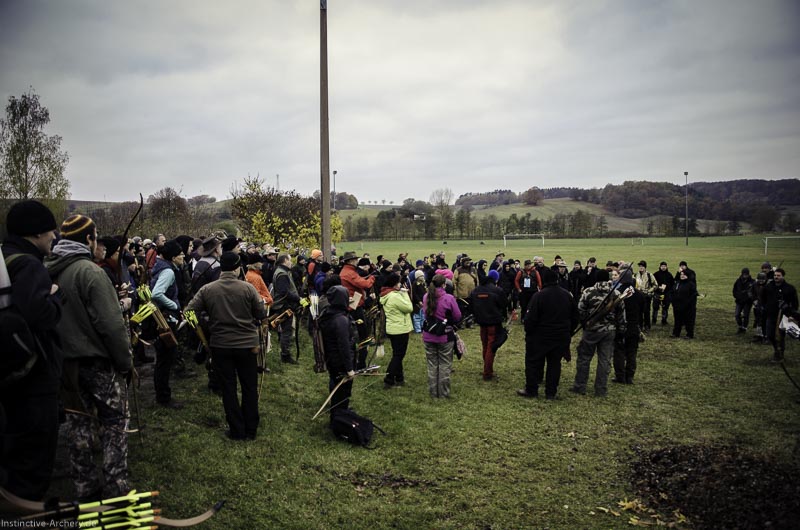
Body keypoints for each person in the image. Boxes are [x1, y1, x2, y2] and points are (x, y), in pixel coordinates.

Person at [45, 214, 131, 501]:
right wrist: (125, 362)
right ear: (88, 239)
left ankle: (85, 487)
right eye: (96, 238)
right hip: (95, 363)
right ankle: (116, 485)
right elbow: (111, 325)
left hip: (64, 364)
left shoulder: (47, 270)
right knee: (114, 421)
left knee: (77, 422)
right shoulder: (90, 272)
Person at [0, 200, 63, 501]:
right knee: (33, 462)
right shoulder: (29, 264)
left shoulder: (4, 259)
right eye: (51, 230)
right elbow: (42, 315)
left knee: (12, 453)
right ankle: (24, 515)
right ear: (36, 232)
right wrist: (55, 296)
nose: (54, 236)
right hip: (33, 378)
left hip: (8, 372)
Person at [186, 252, 266, 440]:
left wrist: (206, 325)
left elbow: (189, 311)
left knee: (228, 389)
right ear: (238, 268)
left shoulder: (208, 289)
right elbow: (261, 313)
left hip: (220, 345)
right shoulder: (248, 289)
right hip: (246, 345)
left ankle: (237, 430)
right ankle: (251, 429)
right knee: (249, 387)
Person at [518, 268, 577, 400]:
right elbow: (575, 318)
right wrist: (569, 332)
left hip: (540, 337)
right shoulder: (567, 295)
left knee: (533, 363)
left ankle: (532, 390)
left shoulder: (539, 296)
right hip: (560, 337)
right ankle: (551, 392)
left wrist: (529, 333)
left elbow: (530, 319)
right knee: (554, 364)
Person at [570, 270, 626, 397]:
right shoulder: (616, 293)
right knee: (604, 361)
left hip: (591, 331)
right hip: (609, 331)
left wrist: (585, 322)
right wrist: (621, 331)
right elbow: (621, 315)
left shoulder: (588, 292)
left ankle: (580, 386)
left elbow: (580, 310)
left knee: (584, 358)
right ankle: (601, 389)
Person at [150, 239, 185, 407]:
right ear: (173, 257)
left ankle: (162, 394)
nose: (183, 256)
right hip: (165, 319)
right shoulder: (168, 272)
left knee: (163, 358)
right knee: (165, 359)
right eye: (180, 254)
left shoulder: (162, 266)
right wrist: (174, 305)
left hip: (162, 317)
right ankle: (163, 397)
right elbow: (156, 294)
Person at [317, 285, 357, 421]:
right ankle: (339, 417)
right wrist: (349, 368)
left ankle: (340, 412)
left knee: (336, 385)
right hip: (340, 360)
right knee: (342, 390)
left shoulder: (328, 312)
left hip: (332, 358)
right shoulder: (340, 320)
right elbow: (344, 345)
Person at [422, 274, 461, 398]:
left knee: (432, 365)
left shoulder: (426, 296)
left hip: (428, 335)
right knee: (444, 365)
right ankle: (443, 393)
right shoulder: (448, 298)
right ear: (444, 284)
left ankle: (433, 393)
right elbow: (457, 316)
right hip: (444, 336)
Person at [339, 251, 377, 369]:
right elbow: (365, 284)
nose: (357, 261)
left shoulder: (347, 271)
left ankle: (355, 361)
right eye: (355, 259)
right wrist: (372, 278)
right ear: (351, 261)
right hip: (354, 307)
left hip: (352, 305)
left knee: (355, 335)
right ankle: (360, 363)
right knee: (362, 336)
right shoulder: (350, 273)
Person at [470, 269, 507, 381]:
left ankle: (487, 368)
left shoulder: (476, 290)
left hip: (481, 322)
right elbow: (504, 305)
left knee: (485, 346)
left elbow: (472, 306)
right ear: (495, 279)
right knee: (491, 347)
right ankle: (487, 372)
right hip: (494, 323)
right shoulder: (497, 291)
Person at [380, 272, 414, 388]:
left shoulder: (388, 294)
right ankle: (389, 379)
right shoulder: (394, 296)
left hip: (393, 328)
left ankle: (399, 378)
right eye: (399, 282)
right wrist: (404, 294)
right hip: (400, 329)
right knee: (399, 355)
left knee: (397, 354)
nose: (401, 284)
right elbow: (409, 308)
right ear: (394, 284)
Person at [613, 272, 643, 384]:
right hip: (634, 326)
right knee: (632, 353)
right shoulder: (639, 294)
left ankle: (620, 376)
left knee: (619, 352)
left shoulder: (617, 293)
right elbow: (642, 312)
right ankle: (629, 376)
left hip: (620, 326)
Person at [271, 253, 301, 364]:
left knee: (285, 330)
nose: (291, 262)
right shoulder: (282, 274)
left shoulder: (281, 271)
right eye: (290, 260)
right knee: (286, 331)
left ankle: (285, 353)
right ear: (284, 261)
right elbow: (284, 292)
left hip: (283, 304)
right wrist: (298, 298)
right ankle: (285, 355)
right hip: (284, 305)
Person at [763, 269, 798, 362]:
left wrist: (792, 314)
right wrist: (765, 308)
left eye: (778, 275)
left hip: (784, 316)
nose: (776, 277)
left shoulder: (789, 289)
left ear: (783, 276)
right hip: (771, 315)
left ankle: (779, 353)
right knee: (770, 335)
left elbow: (794, 303)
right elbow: (763, 298)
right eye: (775, 275)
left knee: (780, 336)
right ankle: (776, 349)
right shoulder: (769, 287)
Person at [671, 269, 698, 339]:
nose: (682, 276)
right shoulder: (677, 283)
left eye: (684, 275)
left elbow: (693, 296)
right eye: (681, 274)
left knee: (688, 321)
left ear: (688, 276)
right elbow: (672, 292)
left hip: (688, 307)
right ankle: (676, 333)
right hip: (677, 306)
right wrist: (673, 302)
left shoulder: (691, 284)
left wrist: (687, 304)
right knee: (677, 320)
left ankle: (689, 334)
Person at [633, 261, 656, 331]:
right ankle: (639, 326)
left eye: (642, 266)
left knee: (646, 311)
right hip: (638, 296)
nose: (641, 267)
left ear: (645, 267)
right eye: (640, 266)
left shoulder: (649, 275)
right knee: (639, 311)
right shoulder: (636, 275)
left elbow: (655, 285)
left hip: (646, 296)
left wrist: (648, 291)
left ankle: (647, 326)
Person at [732, 267, 755, 334]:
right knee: (737, 315)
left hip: (747, 302)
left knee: (746, 315)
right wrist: (737, 296)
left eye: (746, 274)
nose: (745, 275)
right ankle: (740, 326)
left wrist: (749, 298)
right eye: (744, 274)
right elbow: (734, 290)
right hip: (739, 301)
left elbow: (753, 292)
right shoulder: (738, 281)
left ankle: (744, 328)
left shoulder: (752, 282)